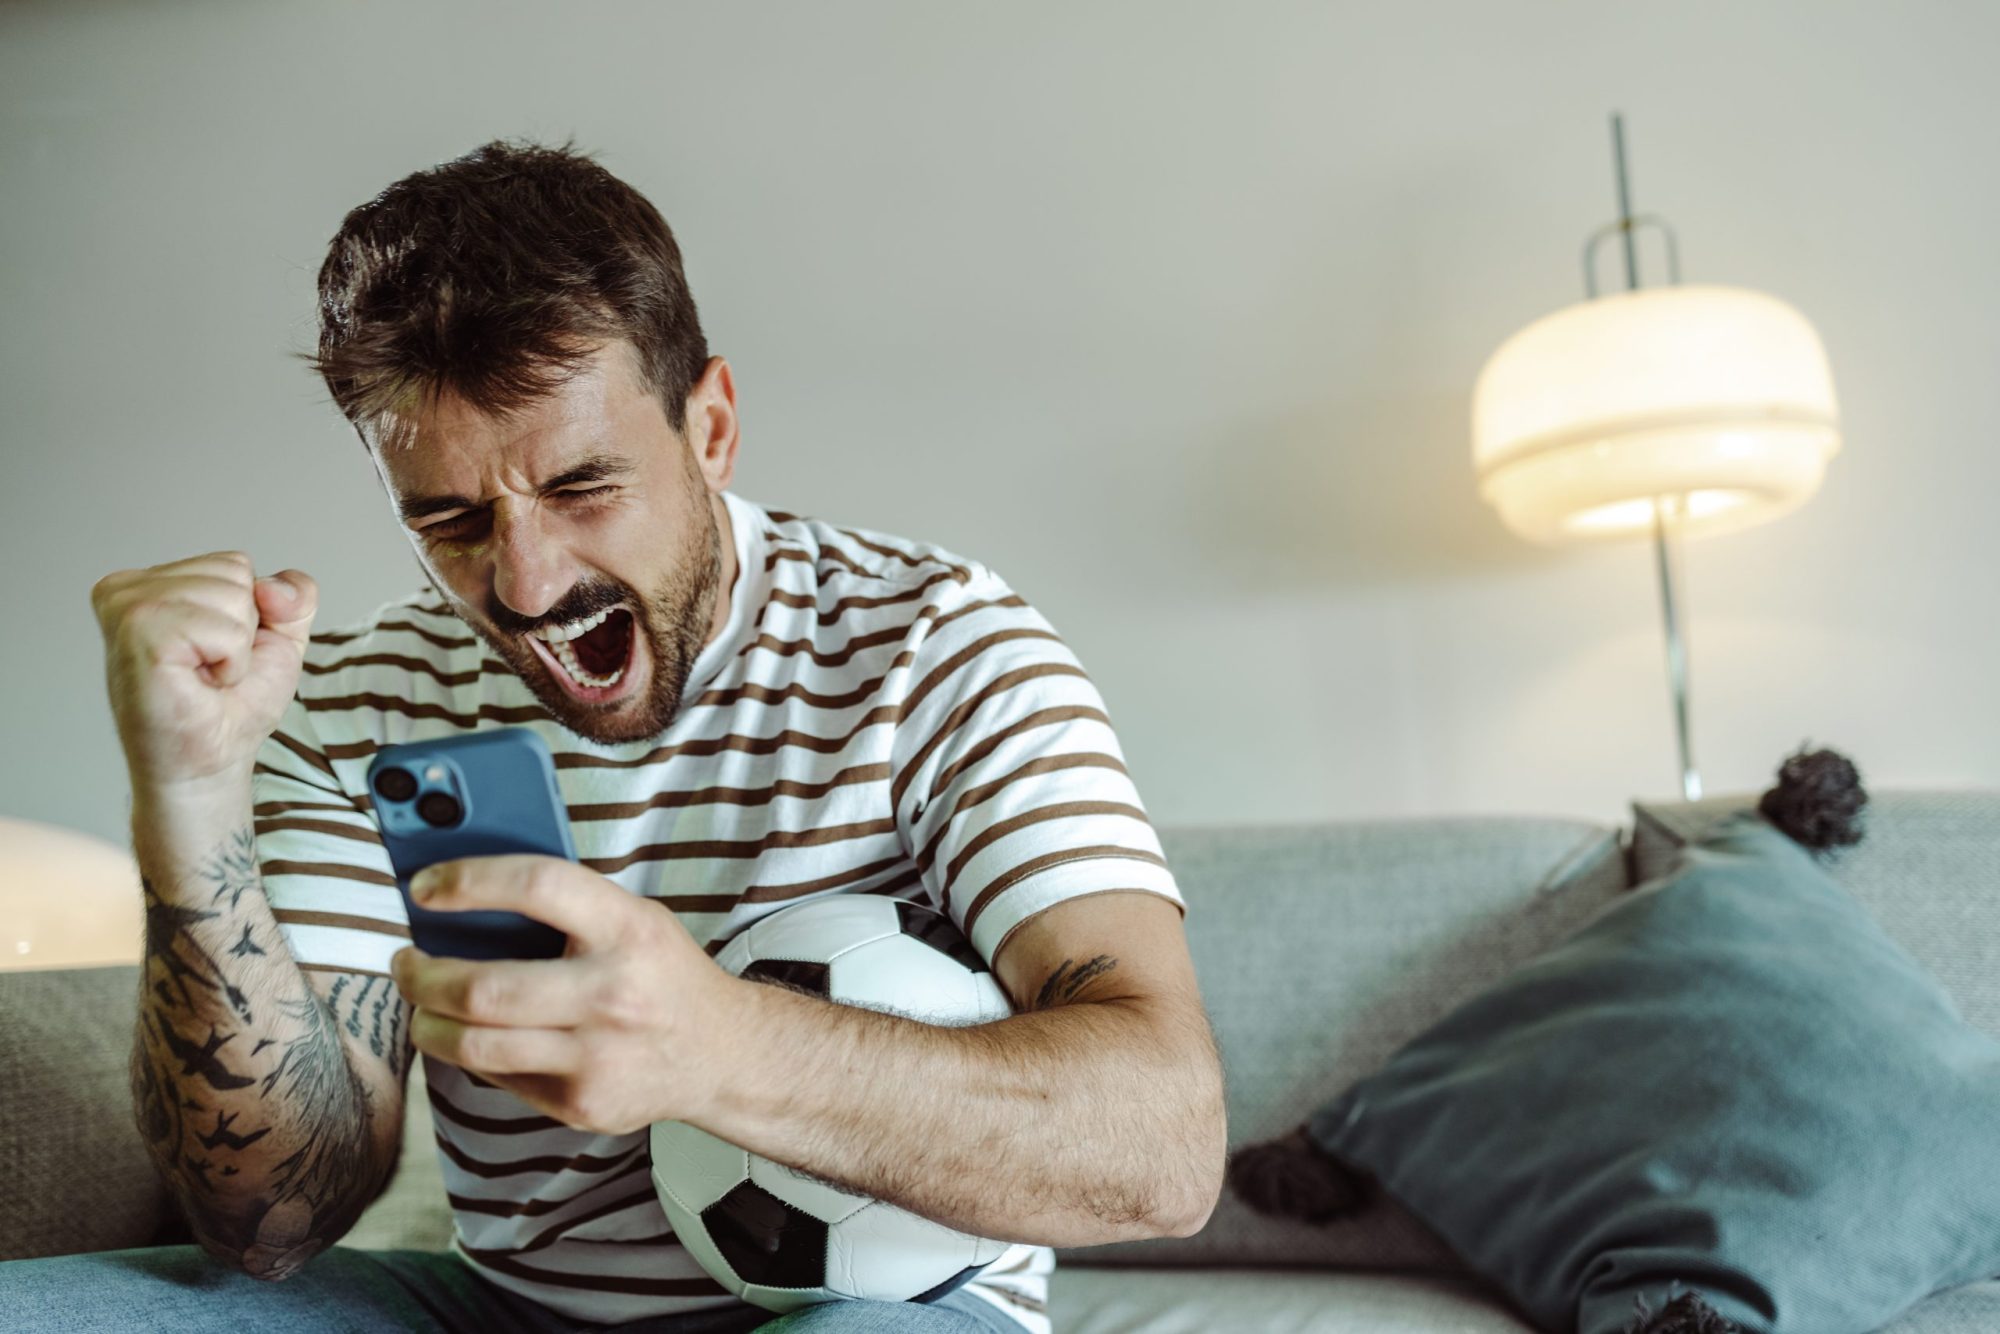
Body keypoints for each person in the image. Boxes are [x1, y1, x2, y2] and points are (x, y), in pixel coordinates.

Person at [14, 140, 1225, 1332]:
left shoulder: (937, 647)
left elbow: (1165, 1149)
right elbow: (273, 1219)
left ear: (710, 428)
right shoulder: (353, 698)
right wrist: (189, 796)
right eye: (448, 520)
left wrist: (717, 1048)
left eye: (583, 486)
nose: (527, 585)